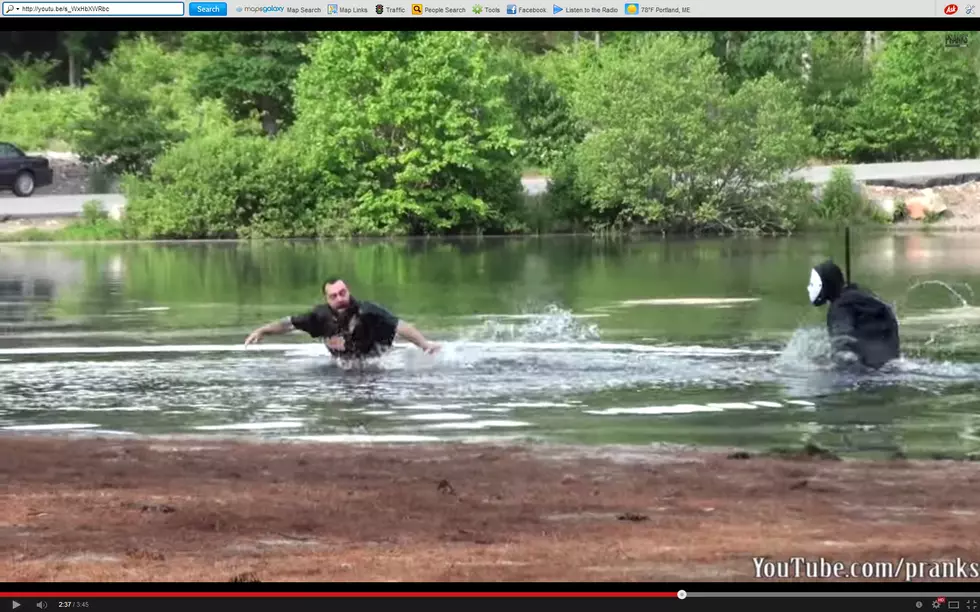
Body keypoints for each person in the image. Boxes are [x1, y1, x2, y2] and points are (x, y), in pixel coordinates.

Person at [244, 278, 440, 360]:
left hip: (377, 360)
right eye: (334, 296)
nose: (340, 299)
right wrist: (262, 331)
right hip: (344, 364)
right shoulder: (319, 317)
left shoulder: (368, 311)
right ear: (327, 300)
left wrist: (424, 344)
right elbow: (288, 324)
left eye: (342, 293)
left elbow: (401, 325)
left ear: (349, 291)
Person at [807, 259, 900, 370]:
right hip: (891, 362)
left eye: (811, 284)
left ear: (823, 285)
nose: (808, 288)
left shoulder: (839, 307)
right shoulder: (862, 296)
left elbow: (843, 342)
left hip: (864, 372)